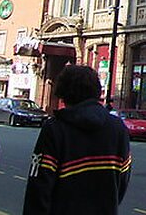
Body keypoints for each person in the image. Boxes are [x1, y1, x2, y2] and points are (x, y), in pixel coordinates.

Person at [22, 65, 131, 215]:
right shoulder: (118, 128)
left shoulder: (55, 128)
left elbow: (39, 184)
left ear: (64, 94)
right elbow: (122, 179)